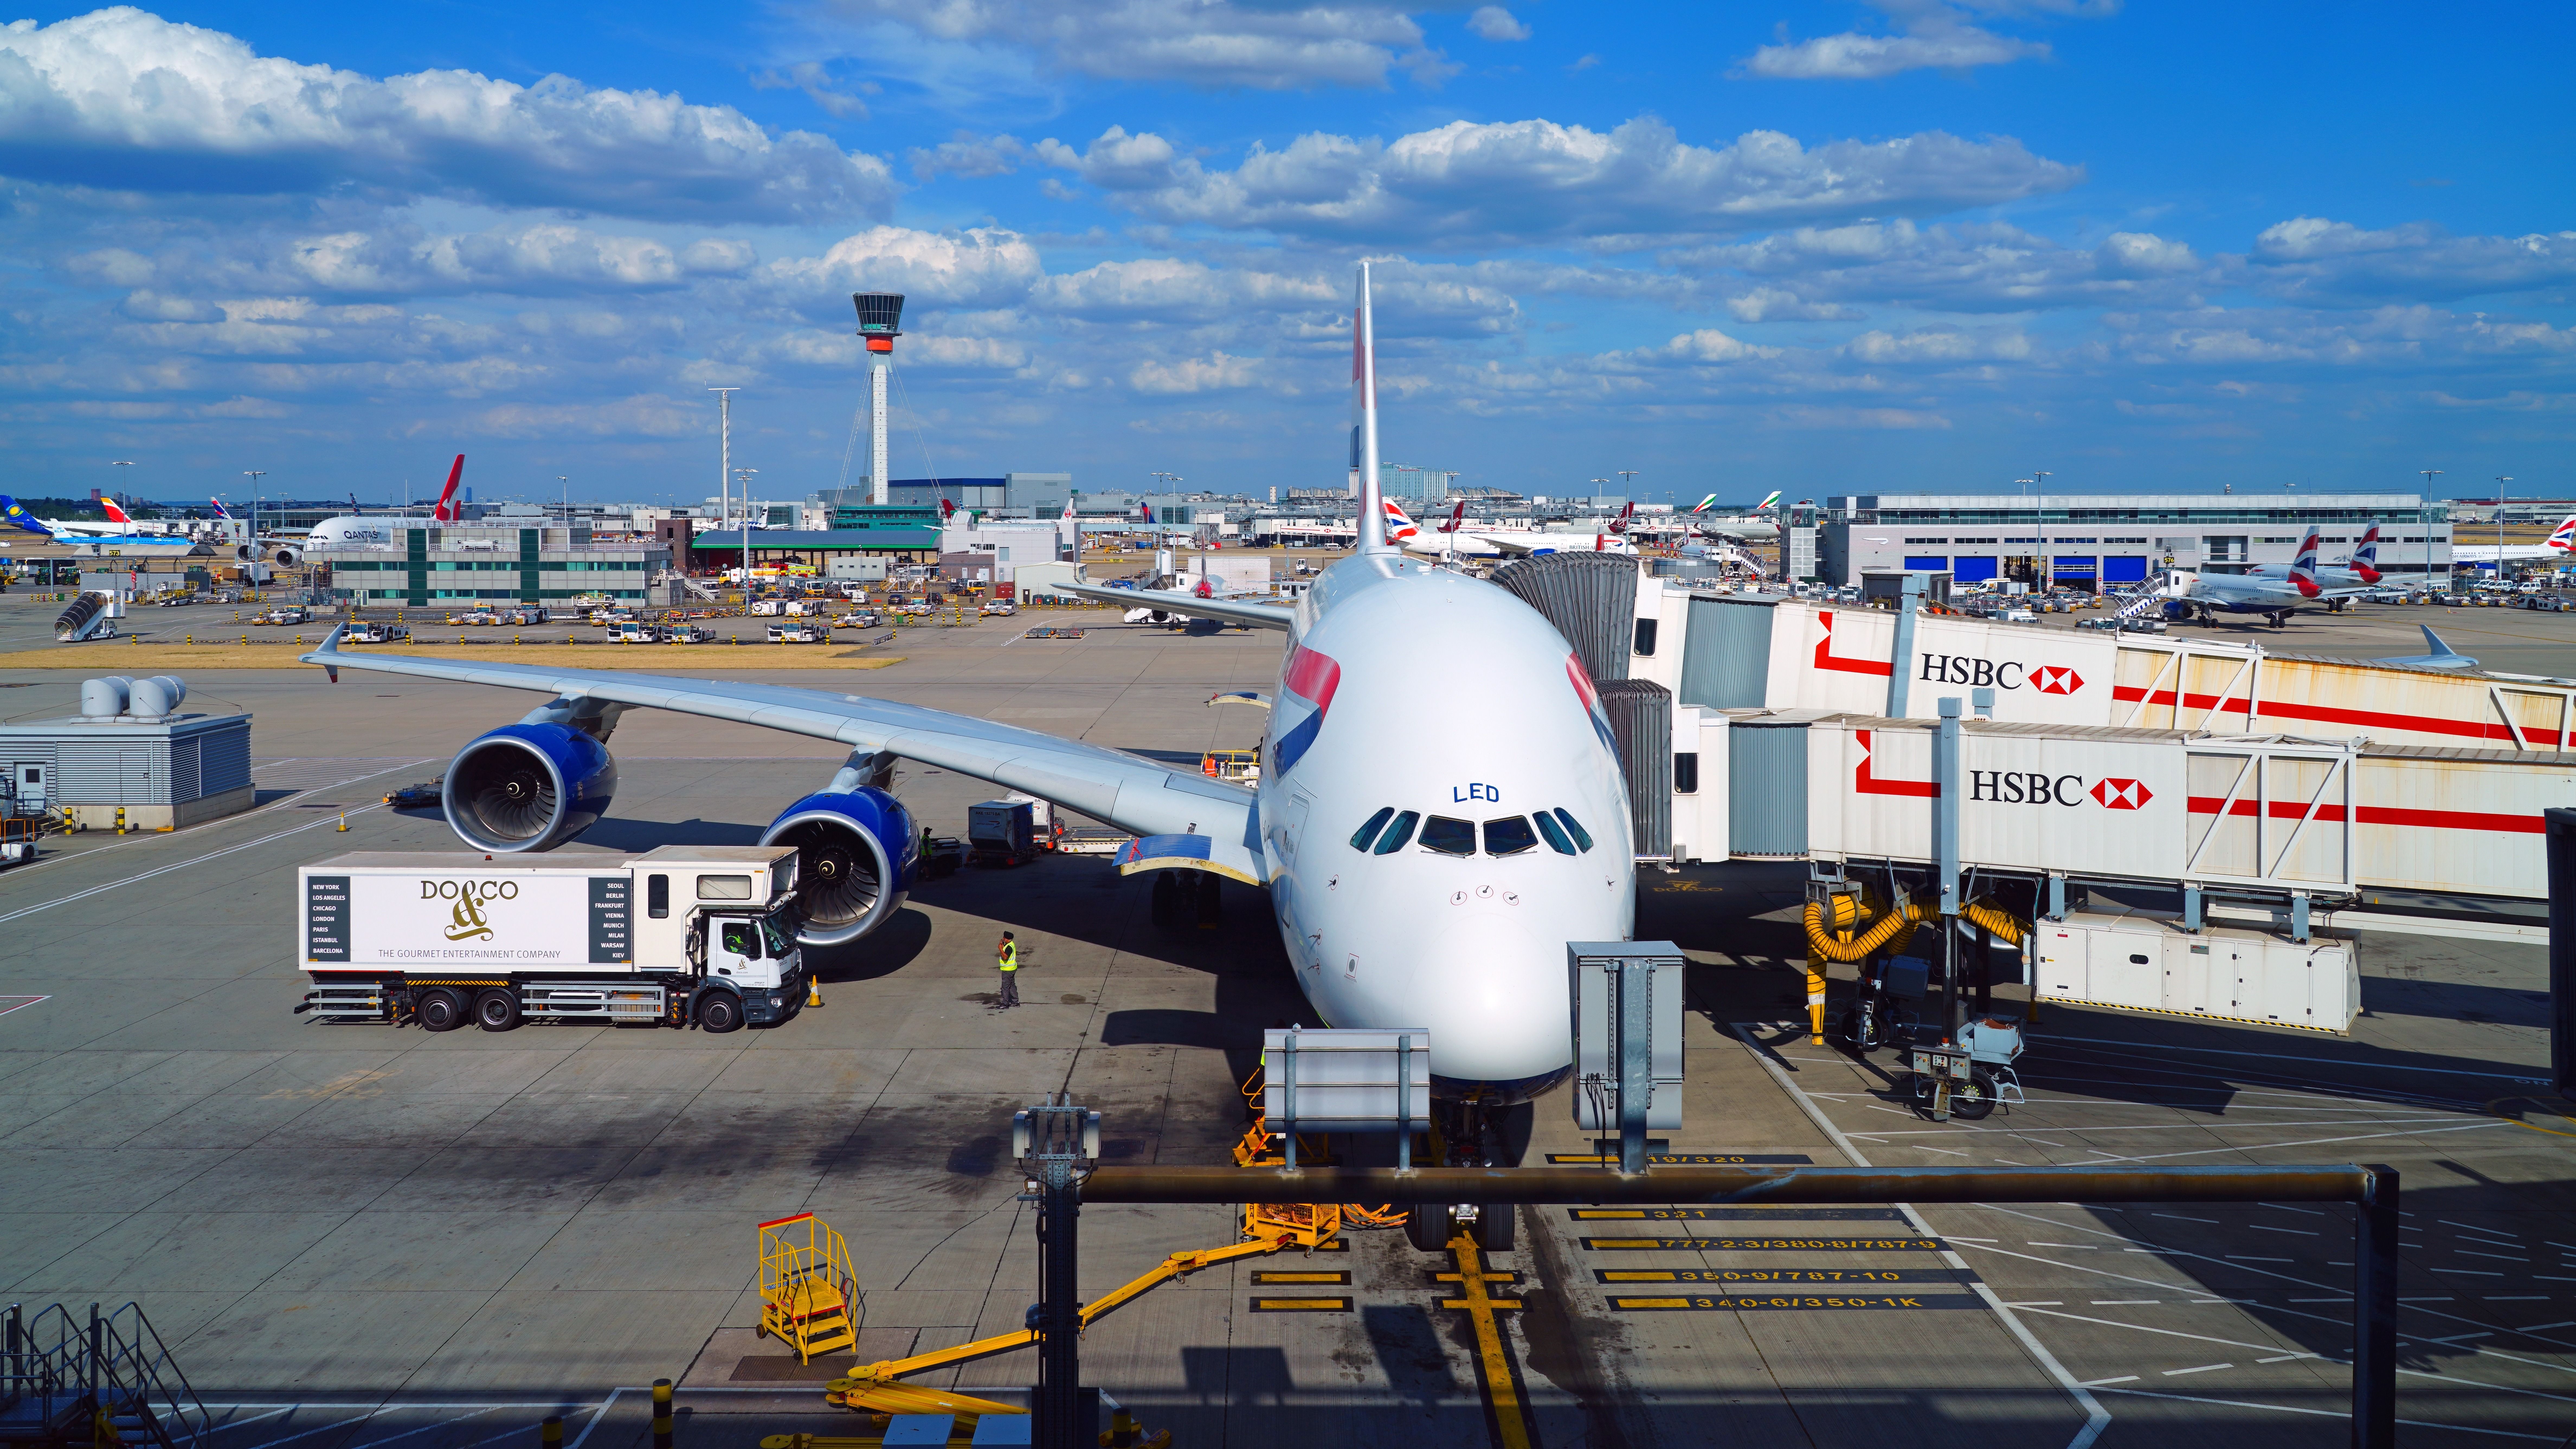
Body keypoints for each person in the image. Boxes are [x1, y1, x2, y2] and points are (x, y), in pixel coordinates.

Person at [996, 931, 1019, 1009]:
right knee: (1012, 986)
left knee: (1005, 987)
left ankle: (1005, 1004)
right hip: (1012, 969)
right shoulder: (1010, 945)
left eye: (1004, 938)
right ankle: (1016, 1002)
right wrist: (1002, 946)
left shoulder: (1009, 947)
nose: (1003, 939)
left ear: (1008, 939)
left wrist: (1000, 948)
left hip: (1008, 970)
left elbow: (1005, 957)